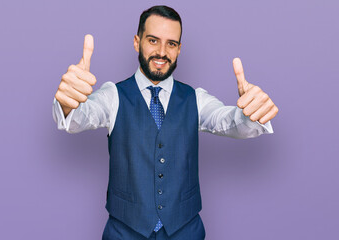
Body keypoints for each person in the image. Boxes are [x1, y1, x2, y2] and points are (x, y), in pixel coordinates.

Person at [52, 5, 278, 240]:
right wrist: (68, 102)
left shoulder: (195, 98)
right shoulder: (113, 95)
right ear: (136, 42)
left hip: (186, 231)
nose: (161, 52)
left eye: (171, 43)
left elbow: (229, 122)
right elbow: (77, 118)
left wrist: (252, 114)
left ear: (179, 49)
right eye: (152, 40)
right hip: (124, 232)